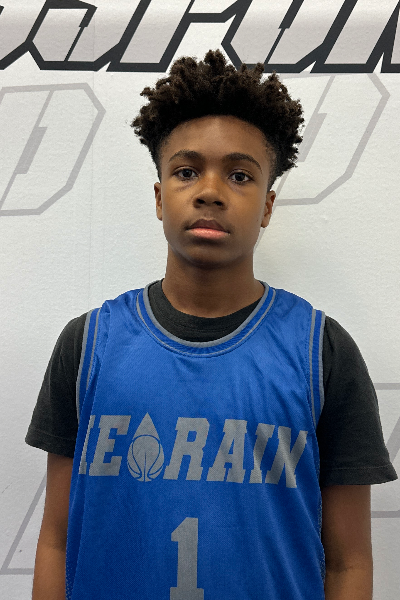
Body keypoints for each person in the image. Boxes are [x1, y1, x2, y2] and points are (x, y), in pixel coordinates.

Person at [26, 49, 397, 600]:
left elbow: (348, 563)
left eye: (240, 176)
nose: (209, 191)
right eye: (186, 171)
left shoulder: (322, 353)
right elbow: (57, 541)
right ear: (160, 197)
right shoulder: (88, 345)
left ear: (267, 206)